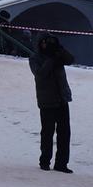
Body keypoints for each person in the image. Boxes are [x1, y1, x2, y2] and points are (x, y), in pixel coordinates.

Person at [30, 33, 74, 172]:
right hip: (47, 100)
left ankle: (61, 163)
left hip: (61, 98)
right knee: (47, 132)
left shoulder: (57, 55)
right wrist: (51, 58)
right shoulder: (35, 58)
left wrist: (60, 50)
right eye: (45, 42)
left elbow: (70, 60)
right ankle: (45, 161)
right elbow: (41, 74)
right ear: (40, 44)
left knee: (64, 133)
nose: (47, 45)